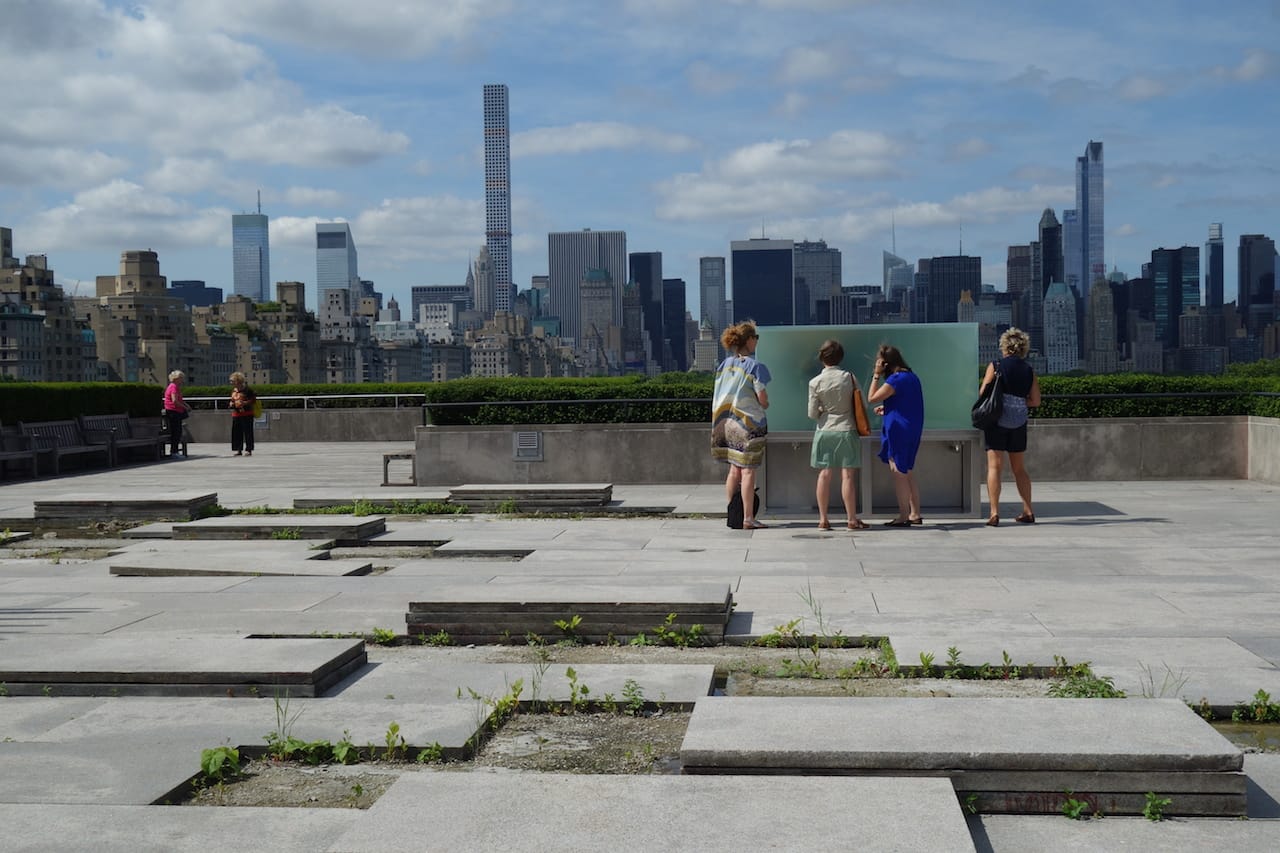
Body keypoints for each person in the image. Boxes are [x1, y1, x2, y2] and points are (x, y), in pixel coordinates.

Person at [711, 321, 771, 530]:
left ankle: (733, 515)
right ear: (749, 340)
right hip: (748, 424)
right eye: (756, 337)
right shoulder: (755, 366)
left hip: (725, 423)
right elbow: (762, 399)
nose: (757, 341)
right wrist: (765, 403)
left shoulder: (724, 365)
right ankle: (747, 518)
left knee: (734, 471)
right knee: (748, 471)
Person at [980, 327, 1041, 526]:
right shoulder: (1028, 370)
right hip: (1018, 422)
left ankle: (994, 513)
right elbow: (1035, 401)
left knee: (994, 467)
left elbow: (984, 393)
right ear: (1023, 348)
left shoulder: (996, 365)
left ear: (1004, 346)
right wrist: (1018, 403)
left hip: (997, 420)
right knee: (1019, 469)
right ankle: (1028, 511)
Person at [807, 339, 869, 531]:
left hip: (825, 430)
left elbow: (811, 414)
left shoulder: (814, 382)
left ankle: (823, 519)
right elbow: (863, 404)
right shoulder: (848, 378)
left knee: (824, 474)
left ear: (821, 358)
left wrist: (822, 410)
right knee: (848, 476)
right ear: (840, 357)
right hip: (846, 429)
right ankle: (851, 519)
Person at [867, 344, 924, 526]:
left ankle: (903, 515)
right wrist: (889, 408)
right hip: (911, 428)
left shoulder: (895, 380)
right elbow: (907, 403)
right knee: (907, 472)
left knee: (898, 472)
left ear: (885, 363)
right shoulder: (912, 377)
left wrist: (876, 375)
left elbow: (872, 397)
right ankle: (915, 513)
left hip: (898, 430)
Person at [229, 371, 257, 457]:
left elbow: (253, 400)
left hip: (247, 414)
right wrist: (231, 404)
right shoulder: (234, 391)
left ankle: (249, 449)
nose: (231, 383)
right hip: (236, 414)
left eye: (233, 381)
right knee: (236, 432)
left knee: (248, 432)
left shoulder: (247, 390)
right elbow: (233, 400)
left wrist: (244, 403)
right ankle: (238, 449)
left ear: (238, 381)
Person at [162, 369, 189, 459]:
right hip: (173, 412)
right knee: (176, 432)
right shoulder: (173, 387)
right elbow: (174, 400)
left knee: (178, 431)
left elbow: (179, 399)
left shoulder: (174, 386)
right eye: (181, 378)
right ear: (176, 378)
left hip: (175, 411)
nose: (182, 380)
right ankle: (174, 451)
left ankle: (175, 451)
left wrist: (185, 405)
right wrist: (185, 407)